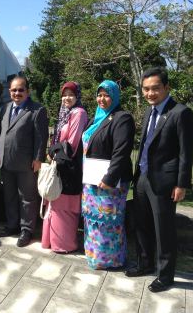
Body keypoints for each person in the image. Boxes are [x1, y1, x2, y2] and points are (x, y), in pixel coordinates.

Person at [126, 67, 193, 293]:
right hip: (143, 179)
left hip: (165, 182)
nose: (150, 93)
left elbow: (186, 152)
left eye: (155, 88)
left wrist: (181, 184)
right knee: (142, 225)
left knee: (163, 230)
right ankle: (144, 263)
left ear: (166, 87)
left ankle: (165, 276)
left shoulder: (180, 113)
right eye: (146, 89)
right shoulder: (149, 112)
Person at [81, 80, 135, 269]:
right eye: (99, 94)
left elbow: (121, 151)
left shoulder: (122, 118)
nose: (102, 99)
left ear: (115, 97)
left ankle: (111, 260)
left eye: (106, 95)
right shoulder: (96, 119)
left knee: (110, 222)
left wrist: (109, 178)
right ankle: (95, 257)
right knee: (93, 221)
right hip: (91, 179)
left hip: (110, 182)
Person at [0, 76, 49, 247]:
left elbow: (41, 137)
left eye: (21, 90)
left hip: (27, 163)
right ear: (9, 91)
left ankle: (27, 230)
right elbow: (2, 133)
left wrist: (38, 159)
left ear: (28, 91)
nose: (17, 93)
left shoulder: (37, 110)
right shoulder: (5, 108)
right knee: (9, 196)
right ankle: (12, 225)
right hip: (6, 162)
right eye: (14, 90)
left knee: (27, 198)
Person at [41, 82, 87, 253]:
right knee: (54, 204)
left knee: (64, 208)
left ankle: (63, 244)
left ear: (77, 96)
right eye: (64, 94)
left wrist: (52, 151)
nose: (67, 98)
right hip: (60, 165)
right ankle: (51, 241)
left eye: (71, 94)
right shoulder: (64, 114)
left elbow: (72, 145)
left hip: (69, 168)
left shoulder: (79, 113)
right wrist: (53, 152)